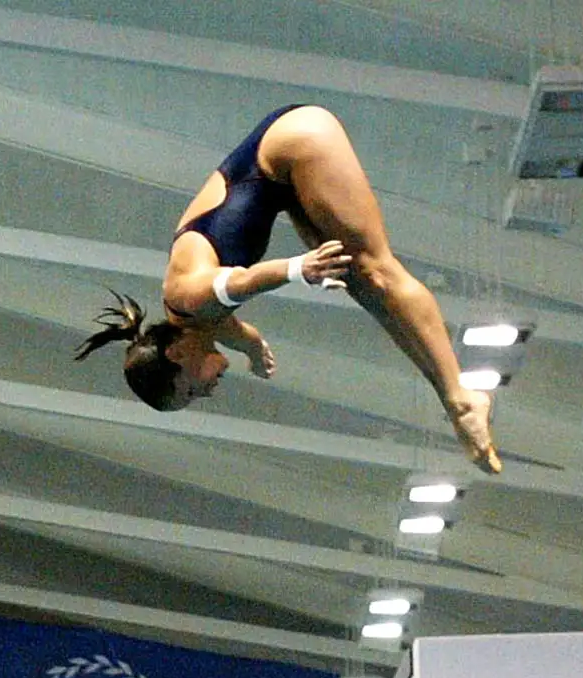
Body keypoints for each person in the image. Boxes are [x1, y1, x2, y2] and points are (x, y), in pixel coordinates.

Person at [76, 104, 498, 473]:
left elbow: (242, 281)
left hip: (294, 142)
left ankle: (460, 398)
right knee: (362, 286)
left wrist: (300, 268)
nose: (205, 392)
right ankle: (451, 397)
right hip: (280, 179)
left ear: (178, 353)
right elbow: (249, 338)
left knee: (376, 272)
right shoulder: (202, 326)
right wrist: (256, 355)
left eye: (191, 389)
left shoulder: (188, 297)